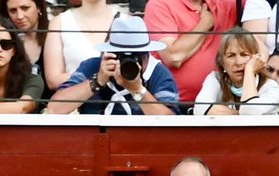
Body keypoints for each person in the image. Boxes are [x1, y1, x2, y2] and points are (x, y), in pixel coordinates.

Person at [47, 16, 178, 116]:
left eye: (136, 56)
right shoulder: (93, 66)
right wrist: (97, 81)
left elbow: (172, 124)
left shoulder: (158, 73)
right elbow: (54, 108)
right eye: (122, 56)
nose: (130, 63)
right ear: (110, 54)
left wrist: (138, 90)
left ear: (147, 55)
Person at [143, 0, 239, 104]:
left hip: (218, 106)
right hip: (174, 107)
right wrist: (206, 24)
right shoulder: (160, 4)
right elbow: (173, 56)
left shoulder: (225, 4)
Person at [194, 27, 279, 114]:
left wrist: (249, 71)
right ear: (222, 62)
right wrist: (239, 115)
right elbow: (199, 109)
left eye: (244, 54)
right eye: (231, 55)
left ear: (256, 59)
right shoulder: (215, 78)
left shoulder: (271, 88)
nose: (238, 62)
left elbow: (250, 112)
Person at [41, 0, 126, 92]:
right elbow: (53, 80)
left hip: (117, 101)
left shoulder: (127, 22)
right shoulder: (59, 23)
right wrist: (99, 77)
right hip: (75, 102)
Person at [5, 0, 47, 78]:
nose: (19, 16)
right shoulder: (8, 43)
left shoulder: (55, 35)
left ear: (39, 8)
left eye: (25, 8)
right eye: (13, 11)